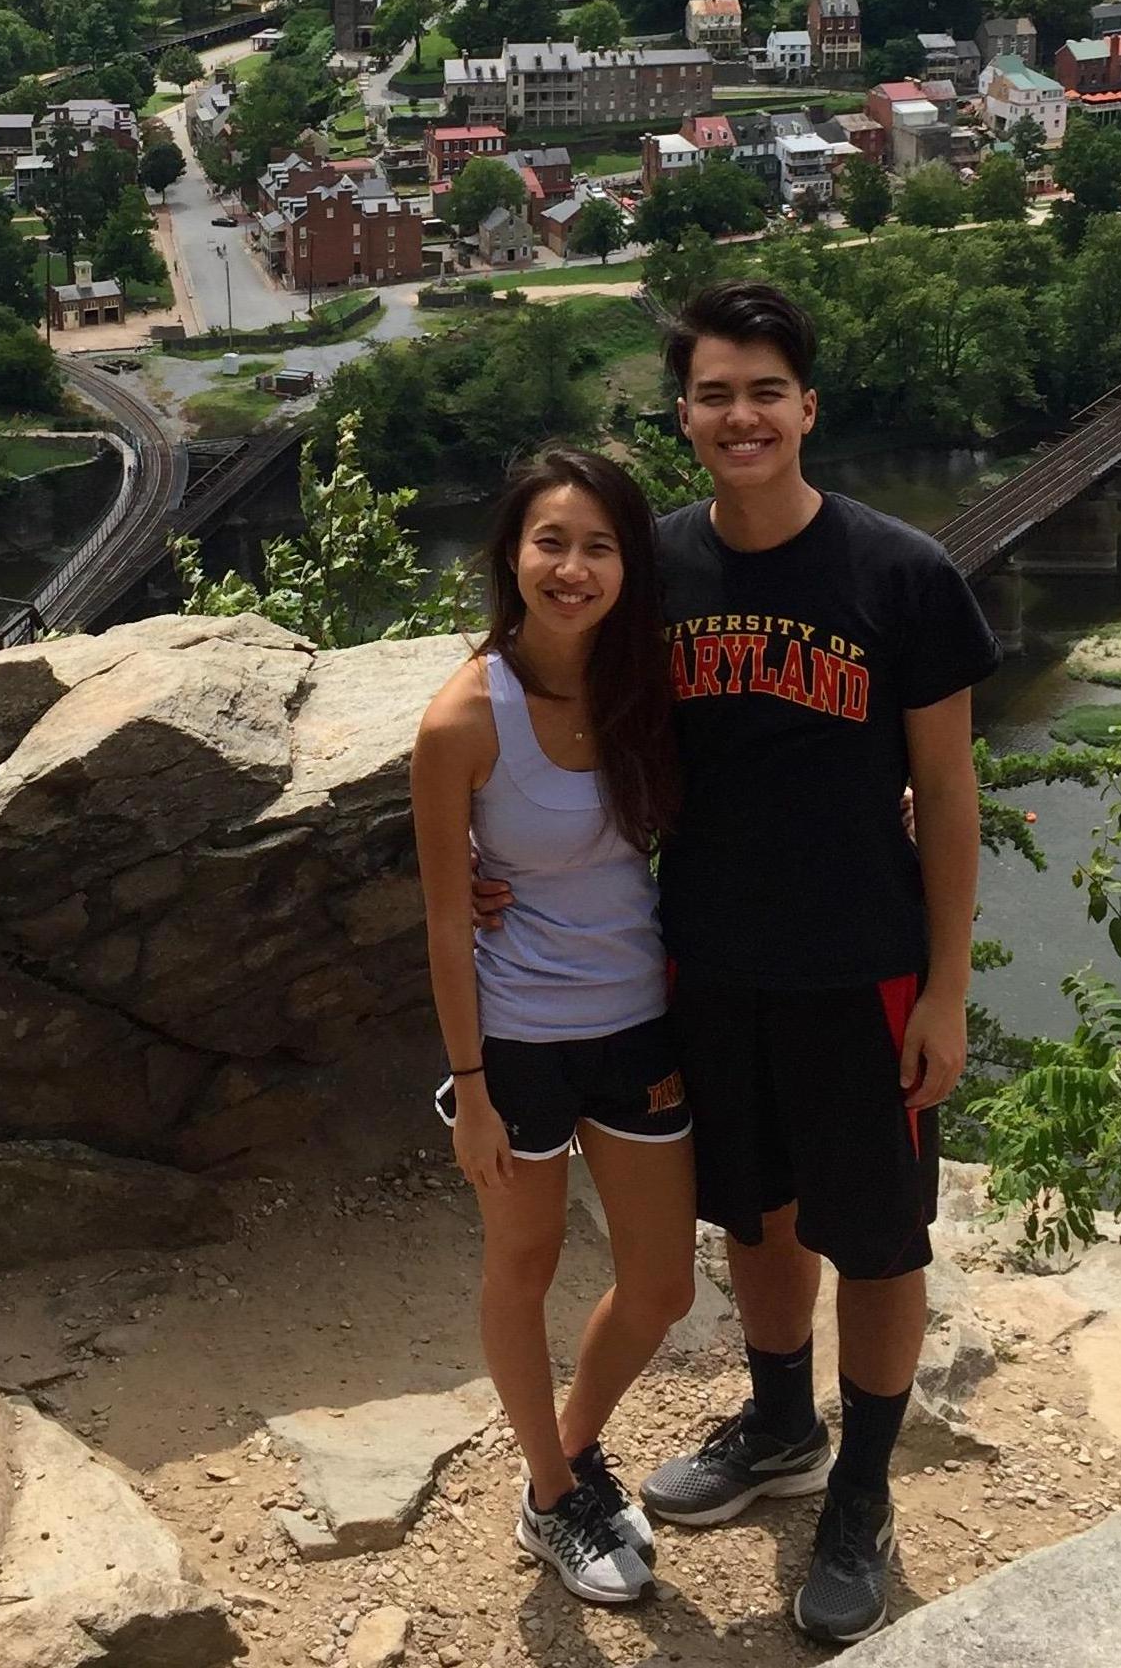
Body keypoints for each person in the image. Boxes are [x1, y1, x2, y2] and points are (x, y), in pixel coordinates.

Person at [476, 283, 999, 1643]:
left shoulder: (903, 579)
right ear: (687, 416)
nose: (742, 414)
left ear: (808, 408)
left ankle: (864, 1492)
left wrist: (947, 986)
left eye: (766, 390)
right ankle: (780, 1423)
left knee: (877, 1243)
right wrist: (490, 848)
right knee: (754, 1216)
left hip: (864, 967)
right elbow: (543, 700)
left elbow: (946, 794)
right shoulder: (652, 572)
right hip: (703, 964)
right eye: (715, 393)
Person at [413, 447, 692, 1608]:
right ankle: (549, 1490)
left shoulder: (651, 685)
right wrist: (469, 1086)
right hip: (519, 1039)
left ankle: (564, 1457)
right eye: (550, 543)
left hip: (640, 1022)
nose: (571, 568)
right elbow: (440, 921)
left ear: (629, 564)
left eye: (598, 547)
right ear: (511, 556)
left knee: (665, 1284)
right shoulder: (462, 720)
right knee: (520, 1265)